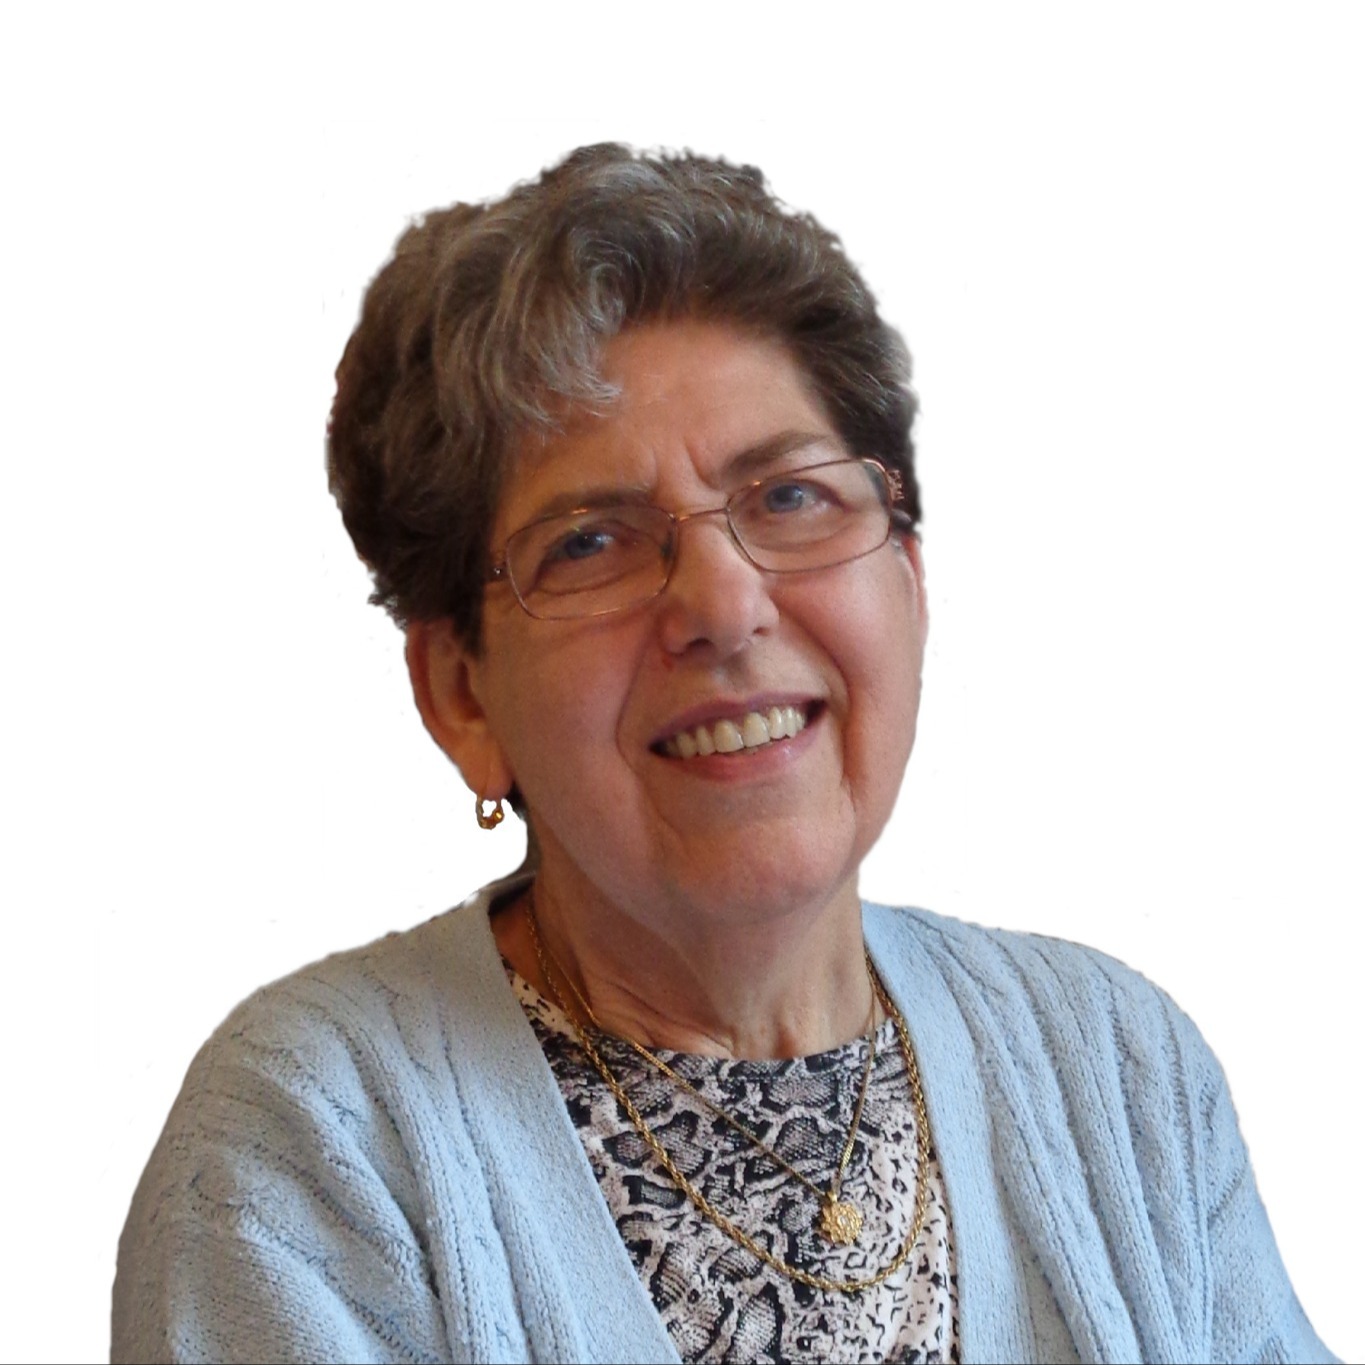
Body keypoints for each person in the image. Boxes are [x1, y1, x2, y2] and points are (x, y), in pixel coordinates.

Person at [112, 144, 1335, 1364]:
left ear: (908, 584)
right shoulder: (320, 1141)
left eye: (791, 498)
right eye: (590, 542)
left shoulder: (1114, 1066)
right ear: (461, 693)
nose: (725, 603)